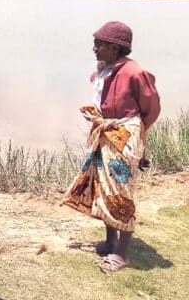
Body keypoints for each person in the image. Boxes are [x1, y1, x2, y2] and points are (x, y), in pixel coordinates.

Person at [62, 21, 160, 273]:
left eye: (100, 44)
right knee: (102, 187)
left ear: (116, 47)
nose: (94, 48)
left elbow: (150, 110)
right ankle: (110, 241)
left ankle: (122, 253)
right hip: (106, 132)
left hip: (123, 135)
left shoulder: (135, 73)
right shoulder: (105, 68)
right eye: (95, 43)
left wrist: (138, 141)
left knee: (120, 192)